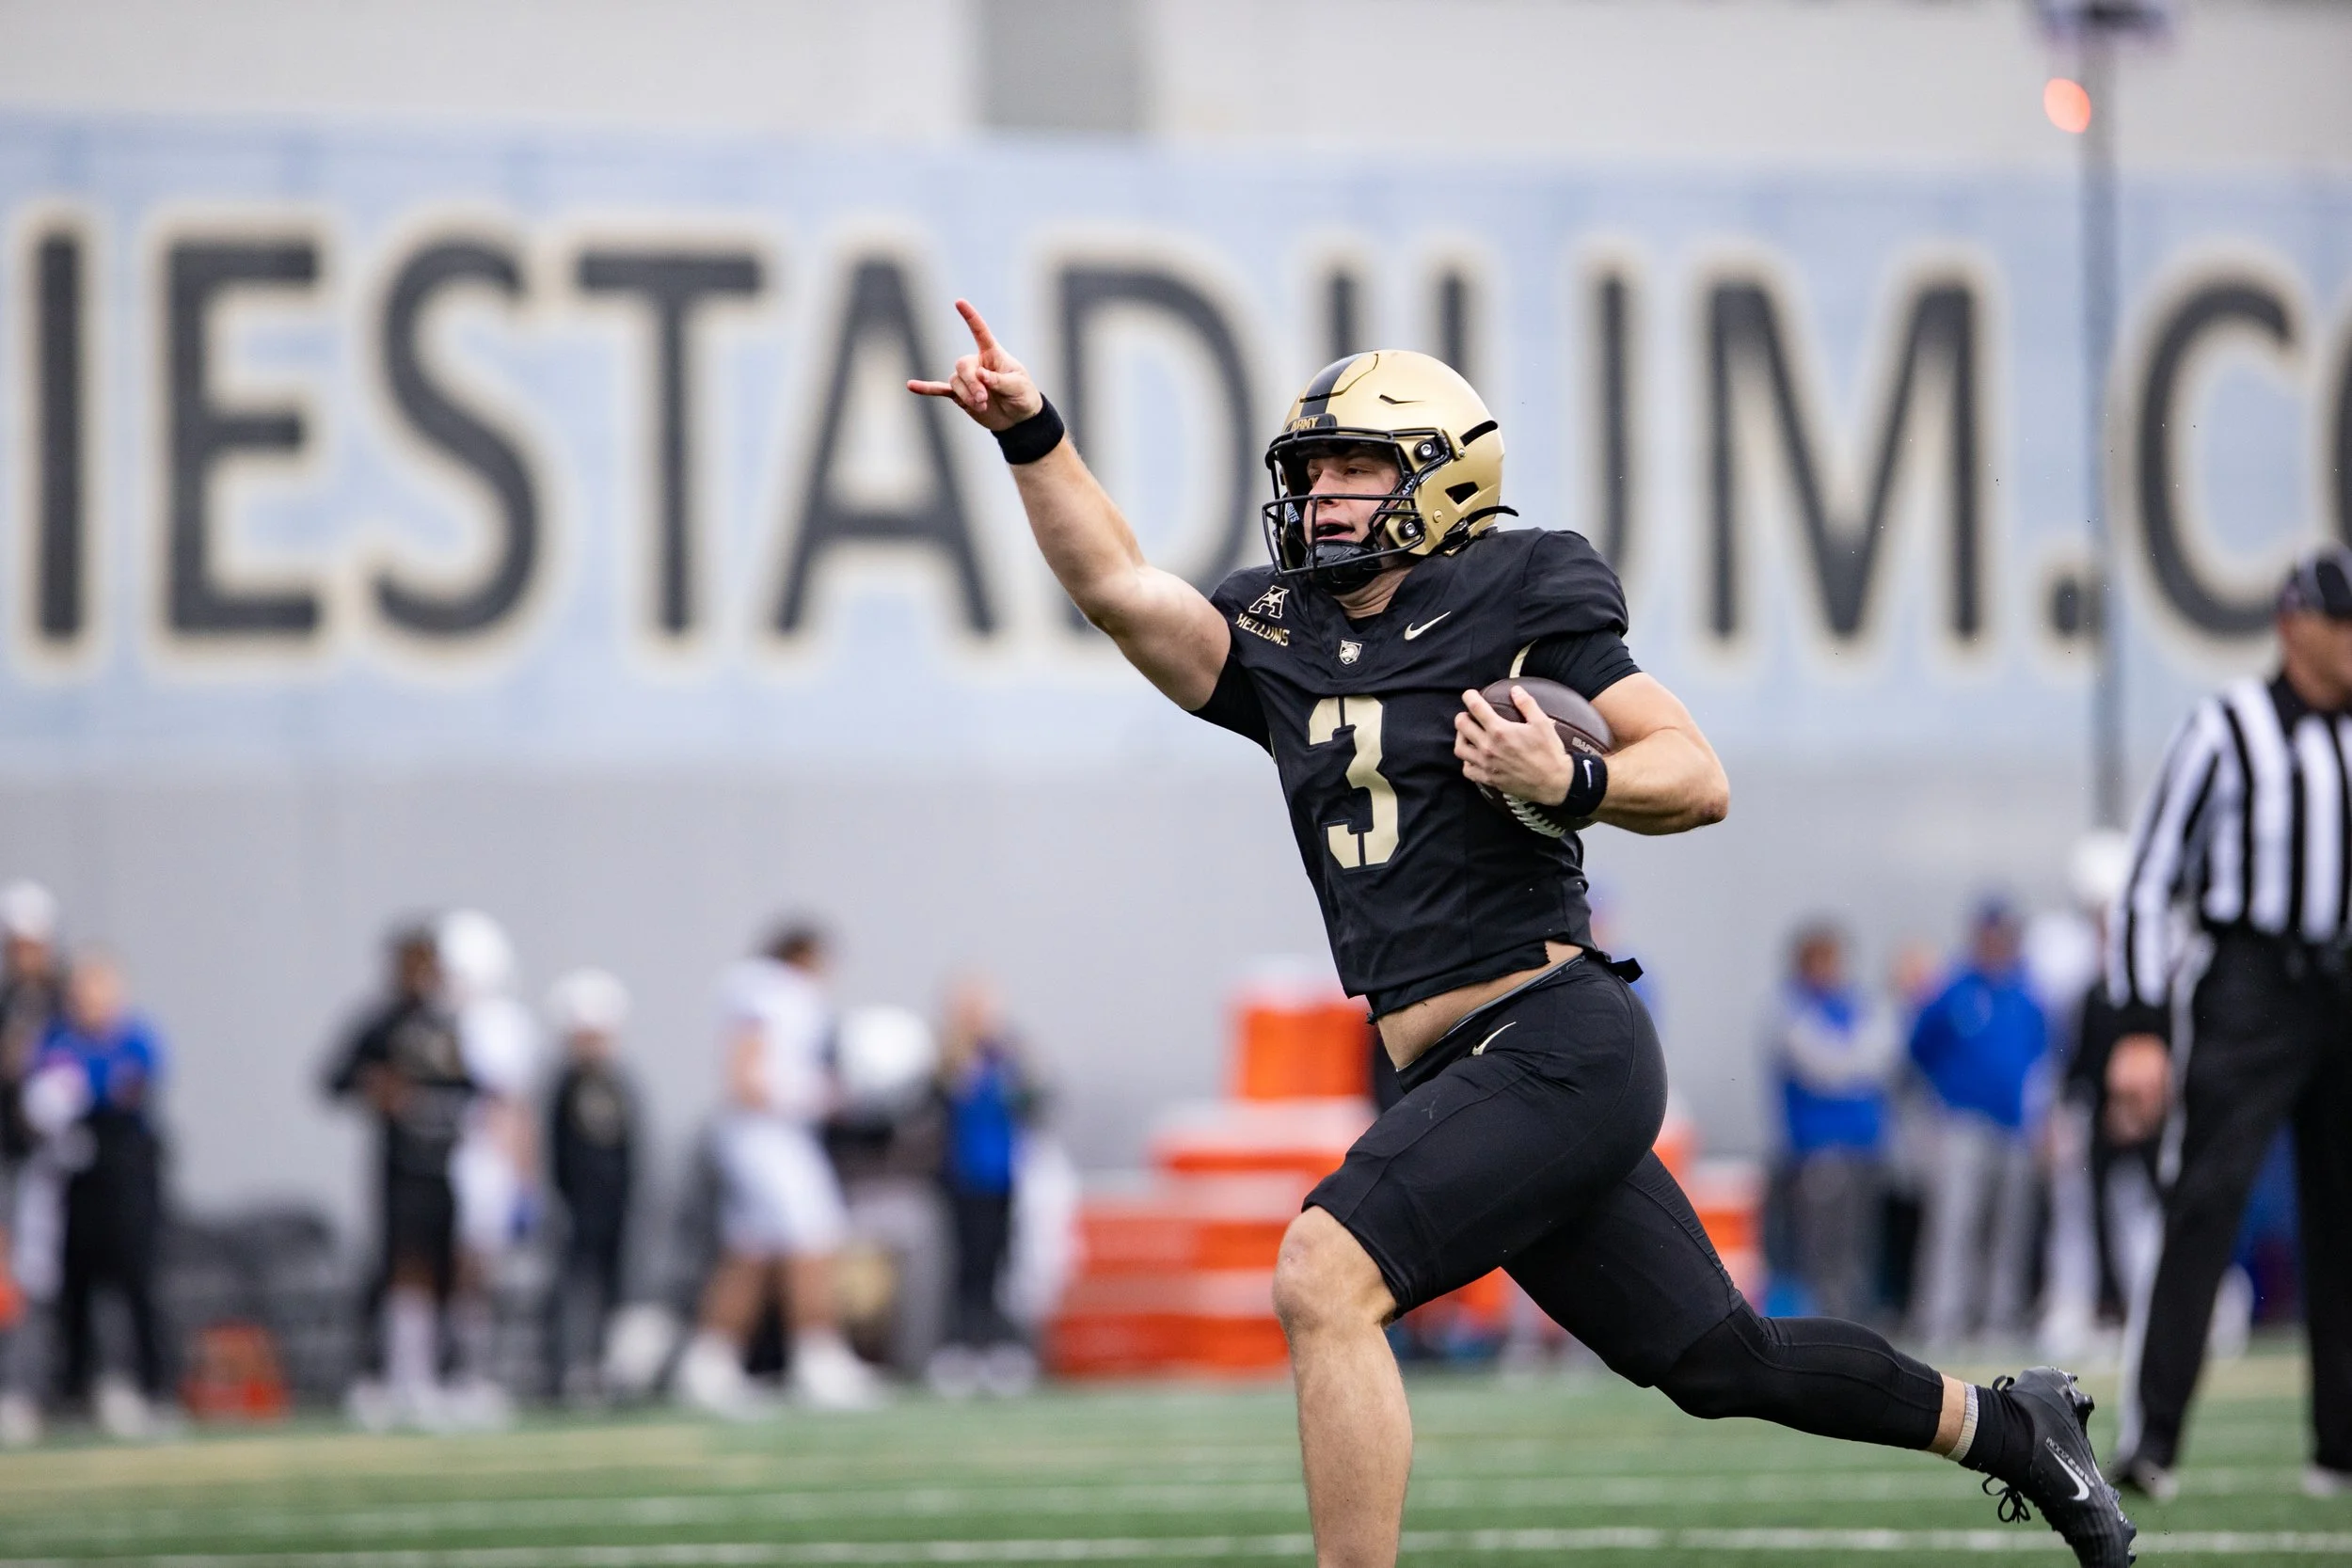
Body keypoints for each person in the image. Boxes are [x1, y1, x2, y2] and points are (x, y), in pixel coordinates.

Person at [911, 306, 2135, 1567]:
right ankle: (2013, 1424)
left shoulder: (1519, 591)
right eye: (1313, 473)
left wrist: (1574, 778)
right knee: (1723, 1358)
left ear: (1442, 475)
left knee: (1323, 1272)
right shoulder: (1281, 634)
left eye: (1357, 469)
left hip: (1554, 1037)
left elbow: (1695, 771)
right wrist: (1033, 435)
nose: (1326, 497)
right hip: (1457, 1068)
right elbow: (1118, 584)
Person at [2104, 541, 2352, 1502]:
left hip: (2343, 983)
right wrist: (2137, 1021)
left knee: (2343, 1217)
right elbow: (2148, 880)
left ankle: (2339, 1444)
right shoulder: (2226, 727)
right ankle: (2153, 1437)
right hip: (2250, 983)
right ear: (2296, 627)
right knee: (2205, 1199)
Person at [676, 922, 879, 1414]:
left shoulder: (775, 994)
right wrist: (818, 1094)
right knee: (814, 1235)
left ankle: (709, 1364)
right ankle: (818, 1357)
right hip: (763, 1131)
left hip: (771, 1132)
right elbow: (747, 1077)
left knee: (752, 1249)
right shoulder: (768, 990)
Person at [326, 924, 471, 1429]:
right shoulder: (379, 1024)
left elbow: (467, 1085)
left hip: (443, 1164)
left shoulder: (445, 1024)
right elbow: (333, 1080)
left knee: (445, 1270)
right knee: (396, 1266)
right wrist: (376, 1085)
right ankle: (383, 1376)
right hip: (398, 1166)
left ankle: (439, 1376)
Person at [28, 951, 170, 1437]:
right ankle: (75, 1390)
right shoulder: (58, 1038)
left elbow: (131, 1087)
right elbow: (37, 1095)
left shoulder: (135, 1036)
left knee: (137, 1284)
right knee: (75, 1288)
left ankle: (154, 1389)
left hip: (127, 1174)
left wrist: (78, 1093)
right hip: (77, 1177)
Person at [1906, 900, 2050, 1347]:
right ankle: (1943, 1320)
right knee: (1955, 1223)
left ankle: (1999, 1320)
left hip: (2014, 1125)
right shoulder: (1954, 989)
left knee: (2010, 1228)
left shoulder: (2025, 993)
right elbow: (1918, 1048)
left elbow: (2041, 1058)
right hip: (1963, 1124)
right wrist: (1947, 1096)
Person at [1765, 922, 1897, 1323]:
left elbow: (1885, 1053)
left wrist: (1853, 1063)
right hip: (1818, 1147)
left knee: (1860, 1243)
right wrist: (1856, 1064)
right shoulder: (1790, 1008)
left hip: (1864, 1143)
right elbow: (1823, 1067)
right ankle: (1824, 1324)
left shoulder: (1858, 1003)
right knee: (1823, 1247)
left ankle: (1855, 1322)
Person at [437, 909, 538, 1424]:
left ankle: (469, 1371)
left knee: (475, 1271)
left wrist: (522, 1177)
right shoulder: (438, 1019)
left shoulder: (498, 1023)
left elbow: (508, 1109)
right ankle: (440, 1371)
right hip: (443, 1158)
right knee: (443, 1269)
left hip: (478, 1160)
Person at [926, 974, 1041, 1398]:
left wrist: (1025, 1083)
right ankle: (957, 1348)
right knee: (965, 1265)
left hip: (1002, 1175)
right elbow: (927, 1108)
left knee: (999, 1264)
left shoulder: (1009, 1054)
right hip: (961, 1176)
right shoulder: (948, 1057)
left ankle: (1001, 1348)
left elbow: (1039, 1103)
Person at [542, 968, 637, 1402]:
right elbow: (555, 1149)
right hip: (575, 1203)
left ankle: (606, 1365)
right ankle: (567, 1367)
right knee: (572, 1287)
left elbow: (632, 1147)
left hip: (615, 1203)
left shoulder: (619, 1083)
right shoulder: (565, 1084)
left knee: (614, 1287)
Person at [0, 880, 63, 1447]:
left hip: (63, 1163)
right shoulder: (8, 1004)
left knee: (48, 1277)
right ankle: (14, 1389)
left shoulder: (63, 1001)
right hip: (13, 1157)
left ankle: (49, 1387)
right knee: (12, 1280)